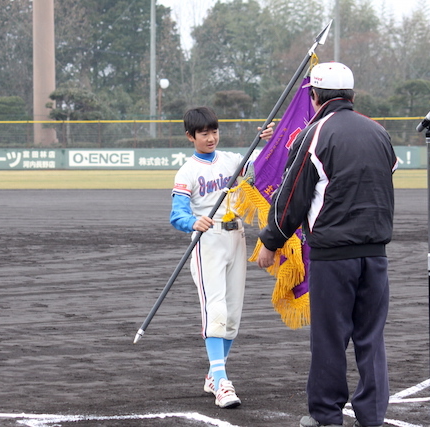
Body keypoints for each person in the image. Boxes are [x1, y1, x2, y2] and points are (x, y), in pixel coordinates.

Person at [256, 62, 398, 427]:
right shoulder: (379, 132)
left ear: (315, 96)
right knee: (370, 338)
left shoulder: (315, 133)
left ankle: (326, 415)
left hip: (333, 256)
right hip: (376, 253)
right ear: (352, 95)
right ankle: (372, 416)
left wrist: (271, 241)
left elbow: (292, 197)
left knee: (330, 338)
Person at [170, 107, 273, 409]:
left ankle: (214, 373)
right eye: (204, 133)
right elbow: (177, 214)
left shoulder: (231, 160)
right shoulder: (186, 171)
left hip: (237, 236)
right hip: (209, 240)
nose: (211, 137)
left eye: (214, 131)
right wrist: (192, 222)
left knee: (232, 313)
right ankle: (222, 381)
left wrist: (266, 142)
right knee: (215, 309)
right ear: (191, 136)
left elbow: (266, 168)